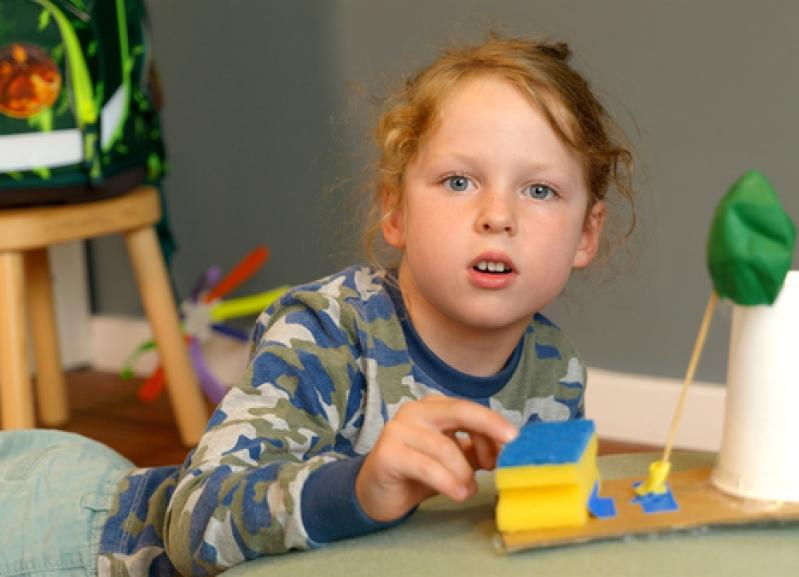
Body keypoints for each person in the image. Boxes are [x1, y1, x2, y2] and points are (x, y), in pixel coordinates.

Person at [0, 35, 636, 577]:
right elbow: (192, 526)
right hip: (66, 543)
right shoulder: (327, 332)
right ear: (394, 209)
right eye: (459, 181)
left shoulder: (555, 369)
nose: (498, 215)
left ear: (586, 232)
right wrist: (359, 487)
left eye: (541, 189)